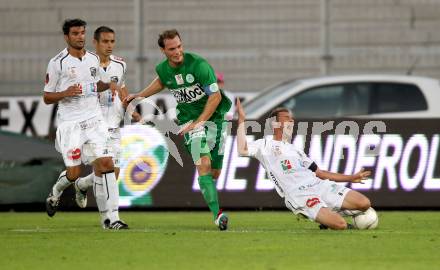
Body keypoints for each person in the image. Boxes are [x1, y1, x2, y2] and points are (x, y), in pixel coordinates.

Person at [125, 29, 232, 230]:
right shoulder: (163, 69)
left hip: (215, 120)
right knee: (204, 164)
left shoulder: (199, 65)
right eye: (172, 49)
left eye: (179, 46)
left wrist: (201, 120)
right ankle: (217, 215)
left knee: (215, 172)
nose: (177, 52)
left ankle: (207, 185)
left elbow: (215, 97)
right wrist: (140, 95)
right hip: (189, 123)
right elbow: (162, 82)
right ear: (163, 50)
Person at [235, 99, 373, 230]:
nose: (291, 120)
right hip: (299, 194)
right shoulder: (264, 144)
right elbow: (242, 149)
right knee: (341, 225)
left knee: (364, 203)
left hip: (318, 185)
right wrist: (241, 119)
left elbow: (320, 173)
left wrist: (351, 178)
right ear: (275, 124)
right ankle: (323, 216)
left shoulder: (296, 150)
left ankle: (326, 212)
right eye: (286, 118)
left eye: (291, 118)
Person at [43, 19, 127, 230]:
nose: (79, 36)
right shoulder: (57, 63)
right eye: (75, 33)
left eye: (82, 33)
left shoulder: (92, 59)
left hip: (94, 120)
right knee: (73, 173)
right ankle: (56, 192)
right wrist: (64, 93)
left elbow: (96, 84)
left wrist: (109, 85)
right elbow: (46, 97)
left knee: (107, 164)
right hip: (70, 123)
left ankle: (111, 219)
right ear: (66, 37)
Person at [72, 26, 141, 229]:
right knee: (107, 166)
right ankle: (112, 219)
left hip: (113, 126)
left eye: (112, 41)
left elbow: (122, 92)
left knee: (110, 173)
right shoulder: (85, 65)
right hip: (92, 127)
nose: (109, 45)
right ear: (95, 42)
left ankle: (82, 184)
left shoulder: (120, 65)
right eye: (105, 41)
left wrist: (132, 112)